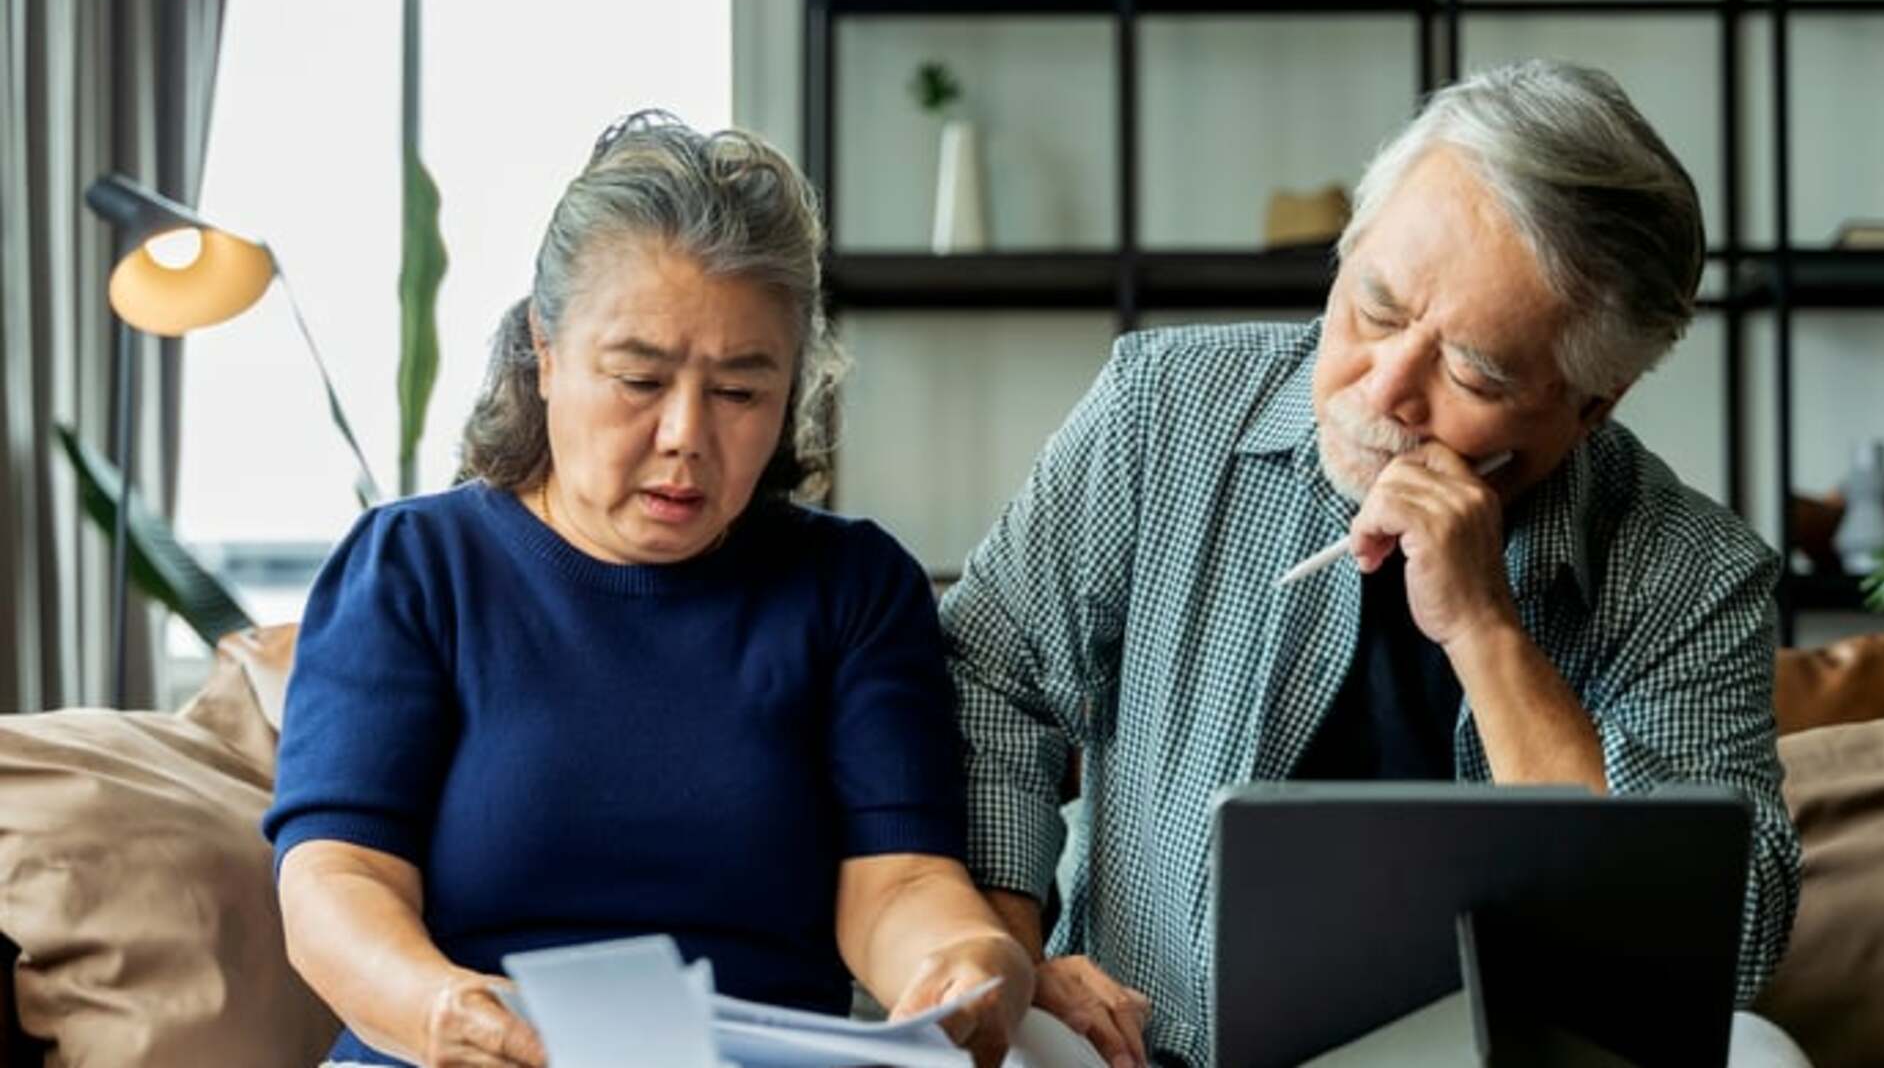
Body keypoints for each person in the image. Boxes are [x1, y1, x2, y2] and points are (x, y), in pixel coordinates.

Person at [941, 61, 1802, 1066]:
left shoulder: (1693, 572)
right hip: (1143, 1040)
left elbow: (1726, 943)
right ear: (1350, 246)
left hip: (1514, 1054)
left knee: (1758, 1051)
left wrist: (1486, 631)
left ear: (1588, 408)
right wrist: (1015, 943)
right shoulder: (1159, 409)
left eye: (1473, 370)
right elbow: (988, 675)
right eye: (1378, 309)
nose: (1387, 386)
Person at [266, 112, 1033, 1068]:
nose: (685, 434)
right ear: (544, 353)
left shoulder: (853, 589)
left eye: (741, 393)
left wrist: (961, 961)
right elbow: (337, 878)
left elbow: (900, 883)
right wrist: (439, 1009)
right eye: (639, 378)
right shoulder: (413, 568)